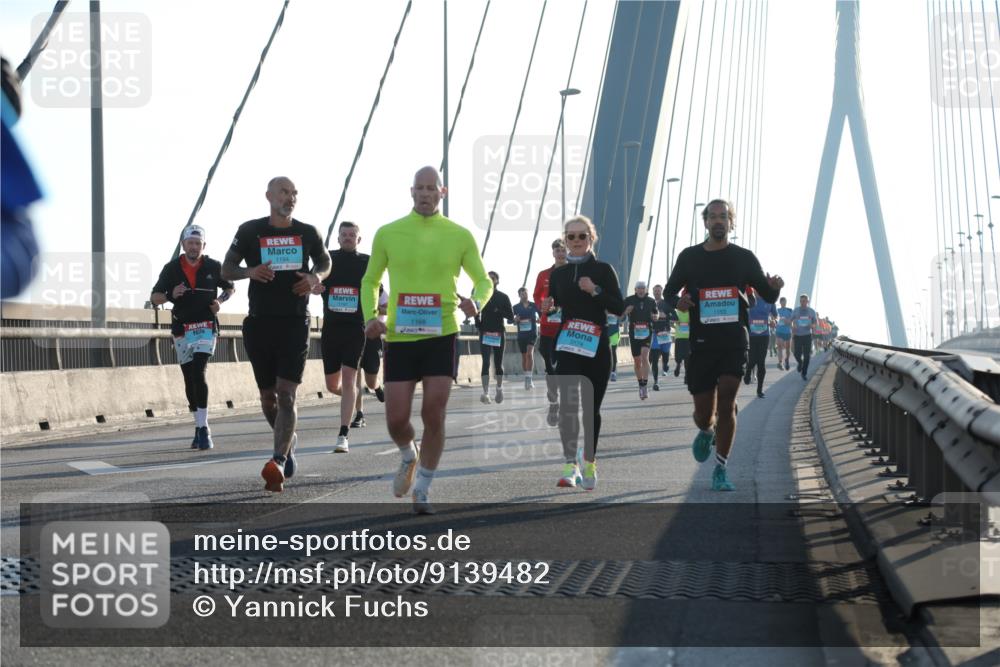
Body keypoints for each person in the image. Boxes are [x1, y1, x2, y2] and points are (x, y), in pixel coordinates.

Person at [361, 166, 491, 515]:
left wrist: (475, 302)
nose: (425, 193)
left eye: (431, 188)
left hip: (442, 332)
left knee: (433, 411)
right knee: (396, 419)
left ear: (442, 193)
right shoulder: (388, 233)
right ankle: (408, 455)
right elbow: (370, 280)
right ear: (411, 192)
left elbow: (483, 281)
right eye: (419, 188)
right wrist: (370, 317)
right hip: (401, 335)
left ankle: (423, 487)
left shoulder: (459, 235)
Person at [663, 199, 783, 492]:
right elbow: (668, 292)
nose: (718, 221)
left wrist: (776, 286)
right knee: (704, 412)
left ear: (731, 223)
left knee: (728, 399)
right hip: (702, 343)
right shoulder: (689, 257)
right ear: (705, 223)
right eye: (713, 216)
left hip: (733, 340)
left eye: (724, 216)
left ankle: (720, 468)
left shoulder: (744, 258)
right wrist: (678, 301)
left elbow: (767, 294)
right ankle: (706, 430)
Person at [223, 177, 331, 493]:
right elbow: (226, 268)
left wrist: (315, 276)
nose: (290, 197)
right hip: (259, 323)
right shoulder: (249, 231)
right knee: (268, 399)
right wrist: (249, 272)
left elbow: (325, 260)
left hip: (295, 323)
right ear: (269, 196)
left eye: (295, 192)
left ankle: (278, 461)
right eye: (284, 192)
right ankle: (288, 439)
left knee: (287, 395)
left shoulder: (308, 232)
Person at [549, 216, 624, 491]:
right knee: (568, 408)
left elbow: (618, 306)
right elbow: (554, 304)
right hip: (568, 345)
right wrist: (548, 306)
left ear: (591, 238)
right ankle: (570, 465)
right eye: (571, 237)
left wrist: (595, 290)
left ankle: (590, 461)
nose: (577, 241)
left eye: (582, 236)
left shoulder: (604, 270)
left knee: (591, 409)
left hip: (597, 347)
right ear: (565, 241)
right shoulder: (558, 274)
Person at [151, 225, 235, 450]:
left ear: (203, 246)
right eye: (190, 243)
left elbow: (229, 287)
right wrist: (171, 295)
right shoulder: (171, 269)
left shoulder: (213, 266)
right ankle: (197, 425)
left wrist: (220, 301)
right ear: (183, 245)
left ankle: (204, 427)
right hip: (181, 327)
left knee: (199, 370)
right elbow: (155, 297)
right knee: (189, 377)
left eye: (198, 243)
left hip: (206, 325)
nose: (194, 247)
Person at [312, 221, 369, 454]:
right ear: (337, 238)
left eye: (352, 235)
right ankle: (356, 397)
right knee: (332, 385)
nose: (347, 238)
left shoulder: (367, 262)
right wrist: (315, 287)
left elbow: (378, 288)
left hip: (355, 329)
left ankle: (343, 435)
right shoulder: (327, 260)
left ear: (359, 239)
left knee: (348, 380)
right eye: (344, 234)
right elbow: (313, 281)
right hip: (331, 329)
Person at [533, 238, 569, 425]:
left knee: (563, 367)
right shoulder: (544, 274)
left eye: (564, 251)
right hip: (547, 327)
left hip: (566, 328)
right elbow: (536, 295)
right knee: (549, 365)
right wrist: (542, 306)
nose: (561, 254)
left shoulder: (574, 273)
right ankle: (553, 399)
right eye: (558, 251)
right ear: (553, 253)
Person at [350, 284, 389, 428]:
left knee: (370, 381)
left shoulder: (377, 287)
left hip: (373, 335)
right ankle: (359, 414)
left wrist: (374, 308)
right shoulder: (352, 282)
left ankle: (377, 387)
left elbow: (389, 309)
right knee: (356, 376)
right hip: (354, 333)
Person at [476, 271, 513, 404]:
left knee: (498, 364)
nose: (490, 280)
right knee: (486, 362)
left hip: (498, 333)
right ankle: (485, 393)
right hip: (485, 332)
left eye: (493, 278)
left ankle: (499, 388)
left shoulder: (503, 297)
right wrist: (478, 323)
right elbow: (476, 311)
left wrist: (499, 311)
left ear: (497, 281)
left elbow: (511, 317)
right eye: (488, 278)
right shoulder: (481, 295)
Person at [623, 281, 658, 400]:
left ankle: (645, 385)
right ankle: (640, 384)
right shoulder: (629, 300)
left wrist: (656, 317)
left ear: (646, 289)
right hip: (634, 333)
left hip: (647, 332)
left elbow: (655, 313)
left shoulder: (651, 301)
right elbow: (620, 315)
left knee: (644, 356)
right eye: (639, 288)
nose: (641, 290)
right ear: (635, 289)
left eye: (643, 288)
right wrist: (626, 311)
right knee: (637, 361)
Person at [744, 287, 776, 398]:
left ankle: (759, 390)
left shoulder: (769, 300)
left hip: (764, 335)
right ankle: (748, 371)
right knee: (752, 360)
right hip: (751, 335)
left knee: (761, 362)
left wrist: (774, 321)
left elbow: (775, 315)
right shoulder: (748, 299)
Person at [650, 283, 678, 391]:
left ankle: (666, 365)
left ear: (661, 292)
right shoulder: (650, 303)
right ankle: (656, 382)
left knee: (665, 357)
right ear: (653, 292)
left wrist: (667, 316)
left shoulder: (666, 304)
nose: (657, 292)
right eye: (655, 291)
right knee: (655, 358)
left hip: (665, 334)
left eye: (658, 291)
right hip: (655, 334)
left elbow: (676, 317)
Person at [512, 287, 539, 389]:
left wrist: (539, 318)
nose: (525, 295)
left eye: (526, 293)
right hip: (521, 335)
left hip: (532, 333)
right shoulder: (516, 307)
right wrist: (515, 319)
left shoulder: (534, 305)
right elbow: (510, 321)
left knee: (529, 353)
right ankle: (526, 377)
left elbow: (541, 315)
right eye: (522, 294)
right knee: (524, 357)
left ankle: (529, 379)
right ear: (519, 295)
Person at [791, 294, 818, 380]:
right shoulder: (796, 311)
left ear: (808, 302)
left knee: (807, 356)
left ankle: (804, 373)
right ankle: (800, 362)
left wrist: (812, 326)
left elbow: (815, 323)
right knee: (796, 353)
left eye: (804, 301)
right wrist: (793, 327)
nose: (803, 303)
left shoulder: (811, 311)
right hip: (798, 335)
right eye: (801, 301)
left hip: (807, 336)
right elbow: (790, 321)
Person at [673, 302, 690, 379]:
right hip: (683, 337)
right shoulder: (678, 312)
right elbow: (673, 321)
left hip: (683, 337)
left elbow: (674, 321)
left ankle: (681, 368)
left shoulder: (678, 312)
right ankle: (680, 367)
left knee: (683, 357)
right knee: (683, 357)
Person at [775, 296, 793, 370]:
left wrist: (788, 321)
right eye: (782, 302)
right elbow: (774, 319)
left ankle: (787, 360)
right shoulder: (777, 310)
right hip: (779, 331)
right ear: (780, 303)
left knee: (788, 348)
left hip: (787, 331)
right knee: (779, 347)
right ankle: (780, 362)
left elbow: (792, 320)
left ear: (786, 302)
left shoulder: (790, 310)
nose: (783, 303)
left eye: (784, 302)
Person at [607, 311, 621, 382]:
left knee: (612, 351)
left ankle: (613, 372)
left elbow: (624, 318)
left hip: (614, 333)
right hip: (604, 332)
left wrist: (621, 316)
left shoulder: (616, 305)